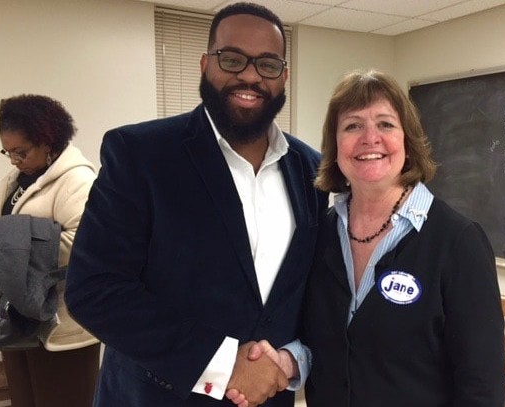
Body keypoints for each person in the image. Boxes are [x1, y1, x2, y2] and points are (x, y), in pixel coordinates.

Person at [64, 2, 327, 407]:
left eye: (268, 64)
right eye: (233, 59)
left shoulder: (311, 171)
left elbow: (309, 294)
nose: (251, 75)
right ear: (206, 64)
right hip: (156, 397)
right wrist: (222, 363)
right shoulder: (141, 155)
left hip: (268, 398)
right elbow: (94, 289)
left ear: (284, 76)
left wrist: (291, 360)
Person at [229, 70, 505, 407]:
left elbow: (483, 388)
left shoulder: (458, 242)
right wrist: (286, 362)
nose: (369, 138)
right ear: (335, 146)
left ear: (408, 139)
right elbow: (323, 342)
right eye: (352, 126)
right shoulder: (321, 233)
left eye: (386, 124)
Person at [0, 94, 100, 407]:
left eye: (21, 151)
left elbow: (84, 243)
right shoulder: (15, 181)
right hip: (20, 322)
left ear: (47, 142)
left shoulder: (77, 180)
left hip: (63, 324)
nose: (13, 160)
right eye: (7, 151)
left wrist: (11, 249)